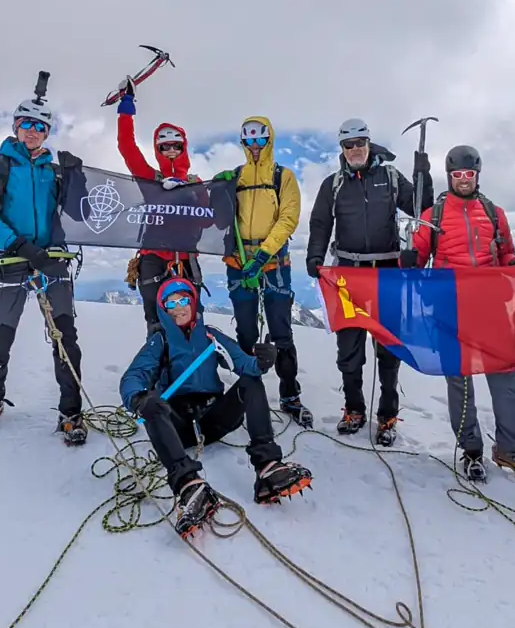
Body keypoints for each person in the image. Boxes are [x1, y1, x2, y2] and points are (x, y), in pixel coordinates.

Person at [120, 278, 314, 538]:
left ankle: (268, 466)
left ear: (193, 301)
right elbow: (134, 376)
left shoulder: (209, 335)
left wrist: (264, 361)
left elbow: (244, 365)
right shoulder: (160, 341)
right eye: (171, 303)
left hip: (213, 417)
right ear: (163, 308)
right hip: (177, 424)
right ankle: (188, 484)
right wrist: (138, 398)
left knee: (251, 383)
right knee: (153, 404)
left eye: (183, 300)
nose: (178, 307)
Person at [402, 145, 515, 487]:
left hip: (489, 309)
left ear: (477, 175)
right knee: (460, 383)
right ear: (449, 177)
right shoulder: (433, 214)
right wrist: (408, 260)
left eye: (468, 175)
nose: (463, 181)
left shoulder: (494, 213)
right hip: (449, 308)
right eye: (457, 176)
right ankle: (471, 449)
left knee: (505, 381)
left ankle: (510, 449)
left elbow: (505, 253)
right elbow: (418, 258)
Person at [0, 92, 88, 445]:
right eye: (26, 125)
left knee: (65, 339)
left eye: (40, 126)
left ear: (47, 133)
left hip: (51, 261)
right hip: (10, 261)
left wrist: (78, 181)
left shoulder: (56, 170)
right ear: (15, 127)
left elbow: (81, 215)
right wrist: (17, 244)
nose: (32, 131)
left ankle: (71, 409)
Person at [305, 117, 431, 446]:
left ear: (369, 143)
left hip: (387, 272)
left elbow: (422, 208)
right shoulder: (333, 184)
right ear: (342, 149)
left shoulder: (389, 177)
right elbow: (320, 224)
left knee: (388, 348)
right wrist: (314, 257)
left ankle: (387, 415)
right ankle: (354, 409)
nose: (355, 149)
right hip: (347, 274)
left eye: (360, 142)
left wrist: (423, 175)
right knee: (349, 350)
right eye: (349, 145)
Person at [211, 117, 312, 428]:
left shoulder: (283, 176)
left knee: (281, 329)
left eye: (260, 139)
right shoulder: (236, 178)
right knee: (246, 331)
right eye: (249, 139)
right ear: (243, 142)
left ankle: (289, 393)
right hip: (239, 263)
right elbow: (217, 218)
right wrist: (217, 189)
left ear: (269, 140)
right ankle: (248, 392)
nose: (254, 145)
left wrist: (264, 253)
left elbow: (288, 218)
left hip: (273, 262)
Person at [115, 77, 204, 334]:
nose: (171, 150)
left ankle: (191, 371)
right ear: (158, 149)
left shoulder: (195, 182)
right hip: (153, 259)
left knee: (191, 319)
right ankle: (158, 370)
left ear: (184, 146)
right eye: (164, 146)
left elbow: (209, 219)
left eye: (176, 145)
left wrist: (213, 191)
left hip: (187, 259)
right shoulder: (149, 179)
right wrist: (126, 107)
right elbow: (127, 147)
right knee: (156, 322)